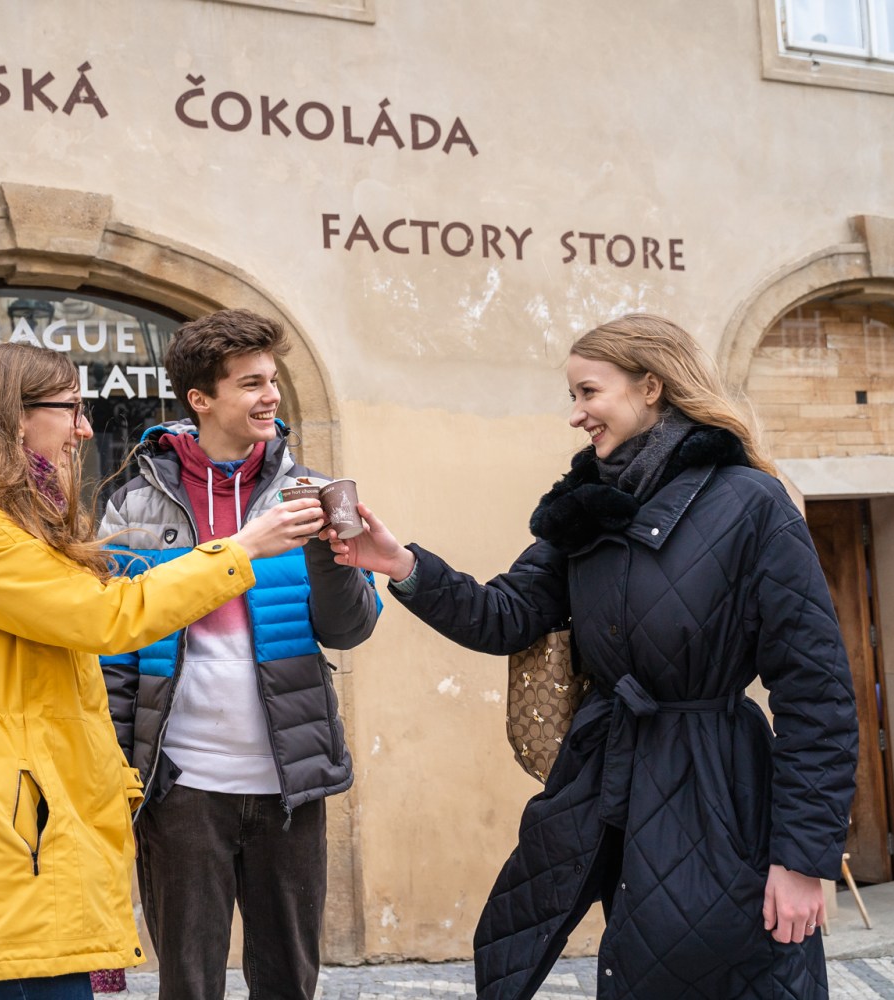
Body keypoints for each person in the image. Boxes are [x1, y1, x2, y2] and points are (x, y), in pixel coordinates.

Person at [327, 314, 858, 1000]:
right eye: (573, 397)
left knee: (711, 966)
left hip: (718, 786)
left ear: (651, 387)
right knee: (567, 949)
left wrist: (801, 859)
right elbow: (505, 615)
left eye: (588, 393)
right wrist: (400, 565)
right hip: (605, 779)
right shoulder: (586, 507)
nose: (576, 415)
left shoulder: (751, 503)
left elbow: (817, 693)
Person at [0, 342, 326, 999]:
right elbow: (106, 618)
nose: (85, 428)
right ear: (16, 415)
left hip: (46, 800)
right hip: (20, 812)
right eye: (72, 410)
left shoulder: (7, 515)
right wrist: (241, 550)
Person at [98, 309, 380, 1000]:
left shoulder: (307, 492)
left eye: (273, 379)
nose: (271, 395)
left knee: (288, 980)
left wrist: (337, 556)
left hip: (290, 779)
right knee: (188, 984)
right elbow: (112, 648)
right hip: (181, 784)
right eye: (251, 382)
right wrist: (117, 771)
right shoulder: (136, 502)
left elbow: (348, 630)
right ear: (202, 399)